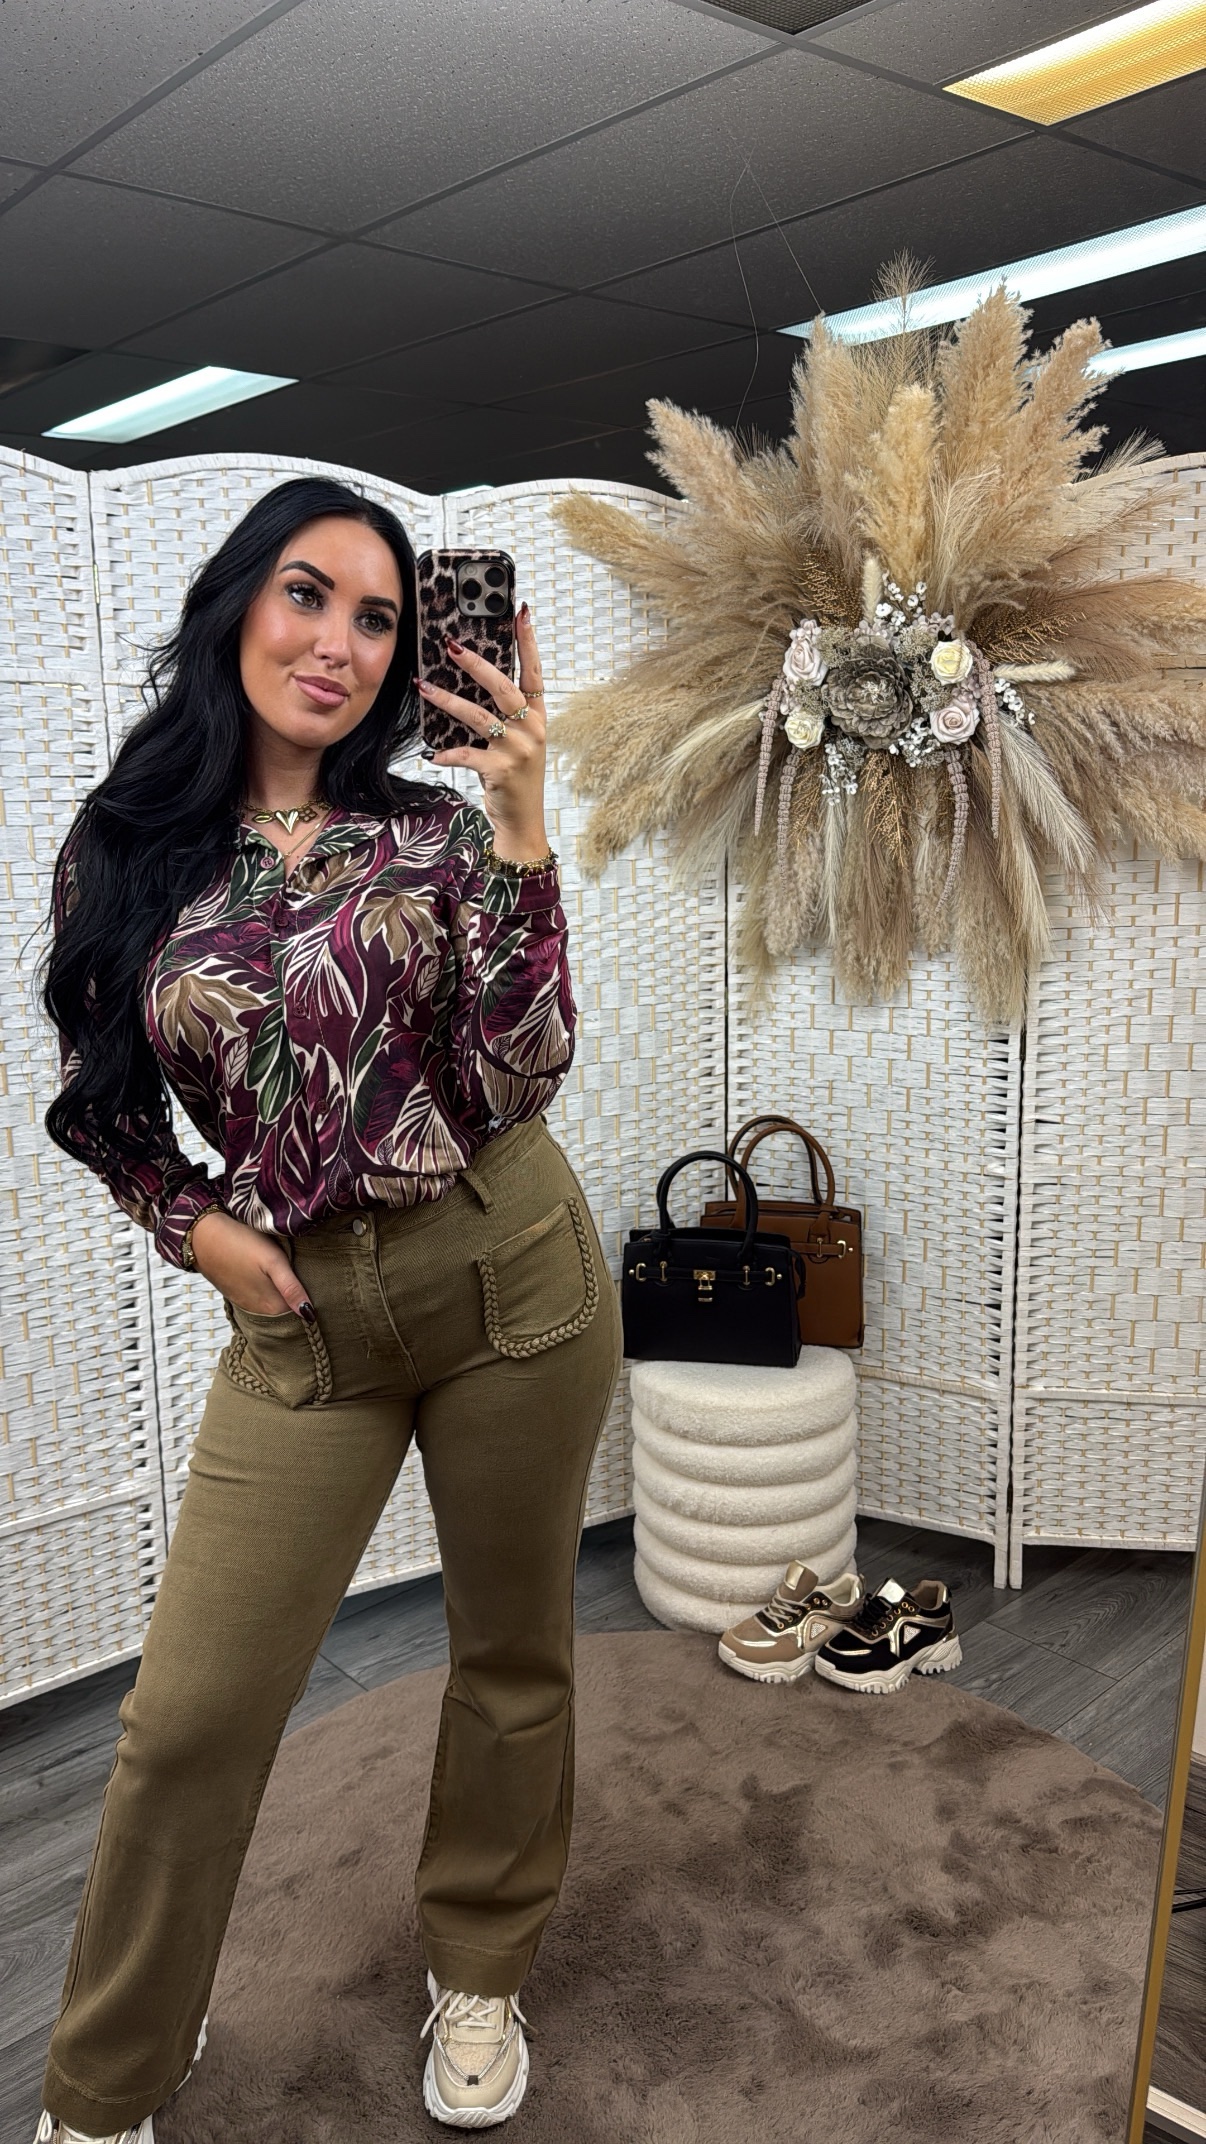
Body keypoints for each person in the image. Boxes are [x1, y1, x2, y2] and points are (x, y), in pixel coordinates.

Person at [34, 476, 622, 2140]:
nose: (341, 645)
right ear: (238, 604)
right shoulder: (125, 850)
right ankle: (109, 2079)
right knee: (188, 1719)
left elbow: (518, 1077)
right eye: (308, 594)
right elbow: (102, 1104)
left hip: (508, 1273)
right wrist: (193, 1224)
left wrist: (521, 823)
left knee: (510, 1651)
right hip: (301, 1322)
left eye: (379, 618)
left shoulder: (439, 826)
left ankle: (480, 1965)